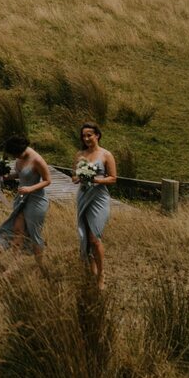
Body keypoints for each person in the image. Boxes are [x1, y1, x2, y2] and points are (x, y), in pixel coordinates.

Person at [0, 134, 51, 270]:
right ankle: (15, 264)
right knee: (17, 230)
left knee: (34, 233)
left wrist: (31, 188)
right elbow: (21, 174)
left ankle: (40, 266)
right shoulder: (20, 158)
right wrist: (7, 177)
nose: (15, 157)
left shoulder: (37, 159)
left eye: (15, 154)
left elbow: (48, 180)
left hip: (36, 200)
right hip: (21, 199)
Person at [73, 122, 116, 286]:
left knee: (94, 238)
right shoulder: (80, 154)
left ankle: (101, 274)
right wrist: (80, 177)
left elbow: (113, 178)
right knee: (85, 237)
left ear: (97, 135)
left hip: (99, 197)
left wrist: (95, 179)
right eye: (83, 136)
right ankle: (91, 272)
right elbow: (73, 176)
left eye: (89, 135)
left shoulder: (106, 155)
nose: (86, 139)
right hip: (83, 196)